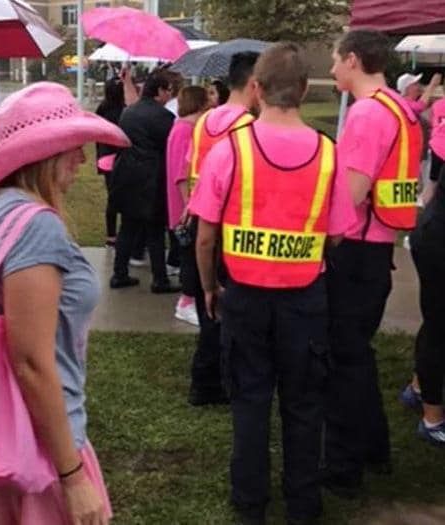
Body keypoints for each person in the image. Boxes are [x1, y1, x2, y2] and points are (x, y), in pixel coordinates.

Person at [0, 82, 129, 524]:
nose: (82, 159)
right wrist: (72, 475)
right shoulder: (35, 227)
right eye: (73, 147)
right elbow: (30, 360)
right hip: (35, 452)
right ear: (43, 154)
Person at [191, 43, 354, 525]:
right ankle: (304, 505)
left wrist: (208, 288)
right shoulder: (329, 153)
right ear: (304, 90)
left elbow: (204, 238)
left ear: (256, 89)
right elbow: (339, 233)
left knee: (250, 402)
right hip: (305, 300)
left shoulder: (230, 151)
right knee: (304, 406)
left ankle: (250, 504)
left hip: (243, 299)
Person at [325, 30, 423, 496]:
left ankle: (344, 467)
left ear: (352, 60)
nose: (330, 70)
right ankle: (373, 447)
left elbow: (352, 195)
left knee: (345, 358)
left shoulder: (367, 114)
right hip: (379, 246)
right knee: (357, 354)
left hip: (357, 249)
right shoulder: (401, 109)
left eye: (335, 61)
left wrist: (322, 244)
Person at [184, 52, 259, 407]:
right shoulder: (247, 129)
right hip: (230, 226)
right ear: (255, 85)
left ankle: (204, 379)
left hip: (202, 219)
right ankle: (221, 382)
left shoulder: (205, 121)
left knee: (206, 305)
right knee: (227, 312)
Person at [110, 69, 181, 294]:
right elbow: (169, 148)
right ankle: (160, 279)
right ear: (159, 91)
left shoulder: (129, 112)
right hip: (152, 178)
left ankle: (119, 273)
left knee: (128, 227)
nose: (170, 95)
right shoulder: (164, 118)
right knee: (155, 231)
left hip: (127, 175)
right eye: (168, 90)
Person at [405, 163, 445, 446]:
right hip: (438, 240)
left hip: (434, 232)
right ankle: (432, 418)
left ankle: (418, 387)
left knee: (436, 323)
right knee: (438, 326)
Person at [166, 85, 212, 327]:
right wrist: (189, 206)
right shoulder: (184, 130)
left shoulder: (188, 128)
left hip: (188, 203)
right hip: (186, 206)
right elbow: (180, 173)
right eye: (210, 96)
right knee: (190, 256)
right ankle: (186, 302)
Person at [95, 78, 126, 247]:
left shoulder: (102, 109)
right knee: (124, 196)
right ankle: (122, 233)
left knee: (111, 198)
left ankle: (111, 235)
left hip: (104, 158)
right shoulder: (124, 111)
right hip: (119, 158)